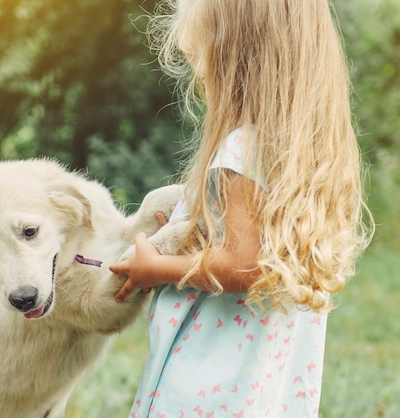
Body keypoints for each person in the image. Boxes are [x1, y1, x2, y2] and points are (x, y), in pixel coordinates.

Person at [110, 0, 373, 416]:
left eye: (200, 56)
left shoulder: (241, 150)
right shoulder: (302, 155)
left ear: (236, 57)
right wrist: (192, 230)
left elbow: (244, 265)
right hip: (264, 382)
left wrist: (155, 269)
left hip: (213, 387)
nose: (197, 74)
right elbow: (252, 245)